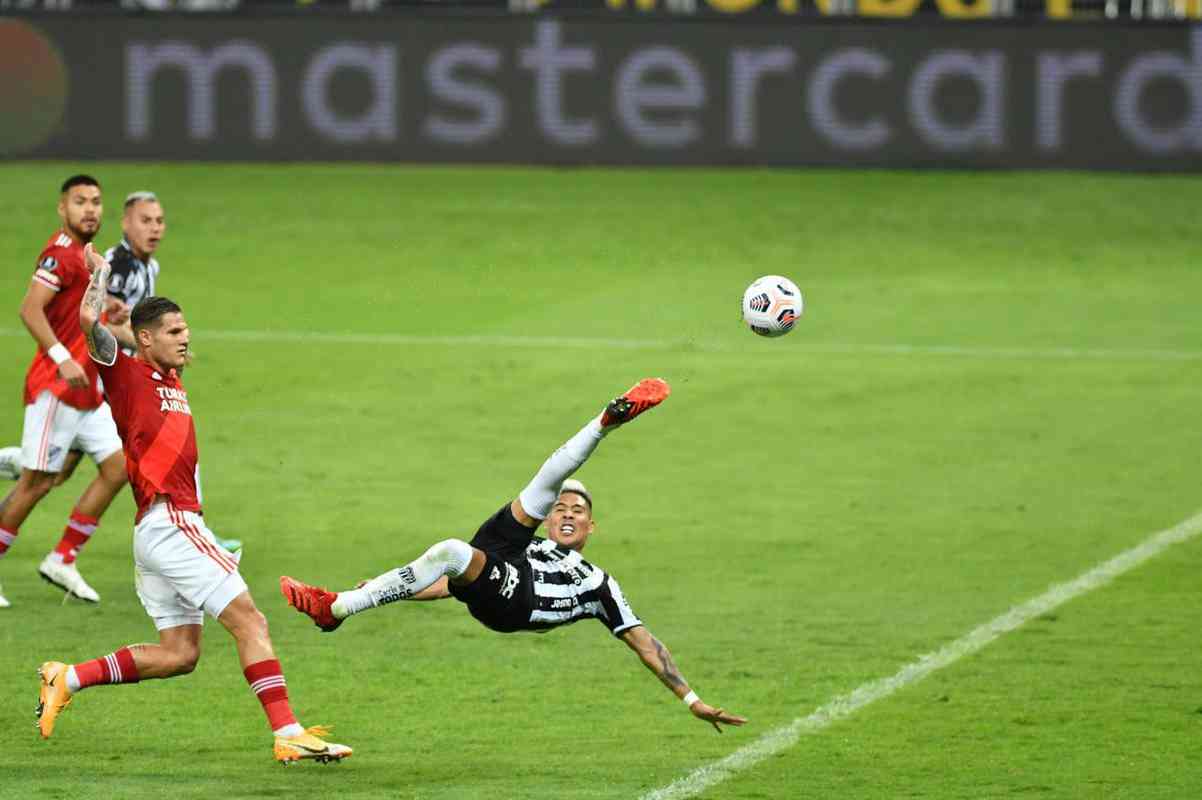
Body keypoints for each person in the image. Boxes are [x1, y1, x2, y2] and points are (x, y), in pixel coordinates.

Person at [281, 378, 747, 733]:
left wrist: (692, 700)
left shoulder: (598, 584)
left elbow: (647, 644)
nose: (567, 513)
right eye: (561, 508)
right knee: (489, 528)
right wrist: (388, 593)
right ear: (549, 522)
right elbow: (451, 583)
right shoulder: (534, 541)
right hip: (510, 567)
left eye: (578, 510)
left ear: (591, 527)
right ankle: (604, 423)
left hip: (519, 603)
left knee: (454, 549)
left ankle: (335, 608)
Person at [35, 250, 351, 764]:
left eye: (187, 330)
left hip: (159, 529)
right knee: (251, 621)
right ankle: (288, 730)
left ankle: (65, 677)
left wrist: (155, 341)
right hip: (172, 520)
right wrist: (99, 276)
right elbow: (91, 322)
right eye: (174, 330)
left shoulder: (170, 380)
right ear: (146, 338)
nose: (185, 338)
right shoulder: (126, 375)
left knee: (181, 653)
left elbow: (154, 354)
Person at [0, 191, 242, 554]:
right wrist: (145, 344)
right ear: (126, 224)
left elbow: (116, 316)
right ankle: (192, 530)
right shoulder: (113, 265)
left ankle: (52, 532)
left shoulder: (149, 267)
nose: (155, 229)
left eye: (159, 221)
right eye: (146, 221)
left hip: (109, 384)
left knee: (63, 472)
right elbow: (92, 322)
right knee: (164, 446)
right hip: (109, 380)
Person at [0, 175, 128, 608]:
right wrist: (61, 356)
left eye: (95, 201)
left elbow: (76, 314)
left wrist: (106, 309)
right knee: (36, 484)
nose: (90, 209)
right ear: (63, 208)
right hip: (57, 388)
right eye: (80, 202)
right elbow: (29, 309)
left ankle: (63, 558)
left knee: (119, 467)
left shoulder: (84, 257)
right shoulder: (59, 255)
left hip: (87, 395)